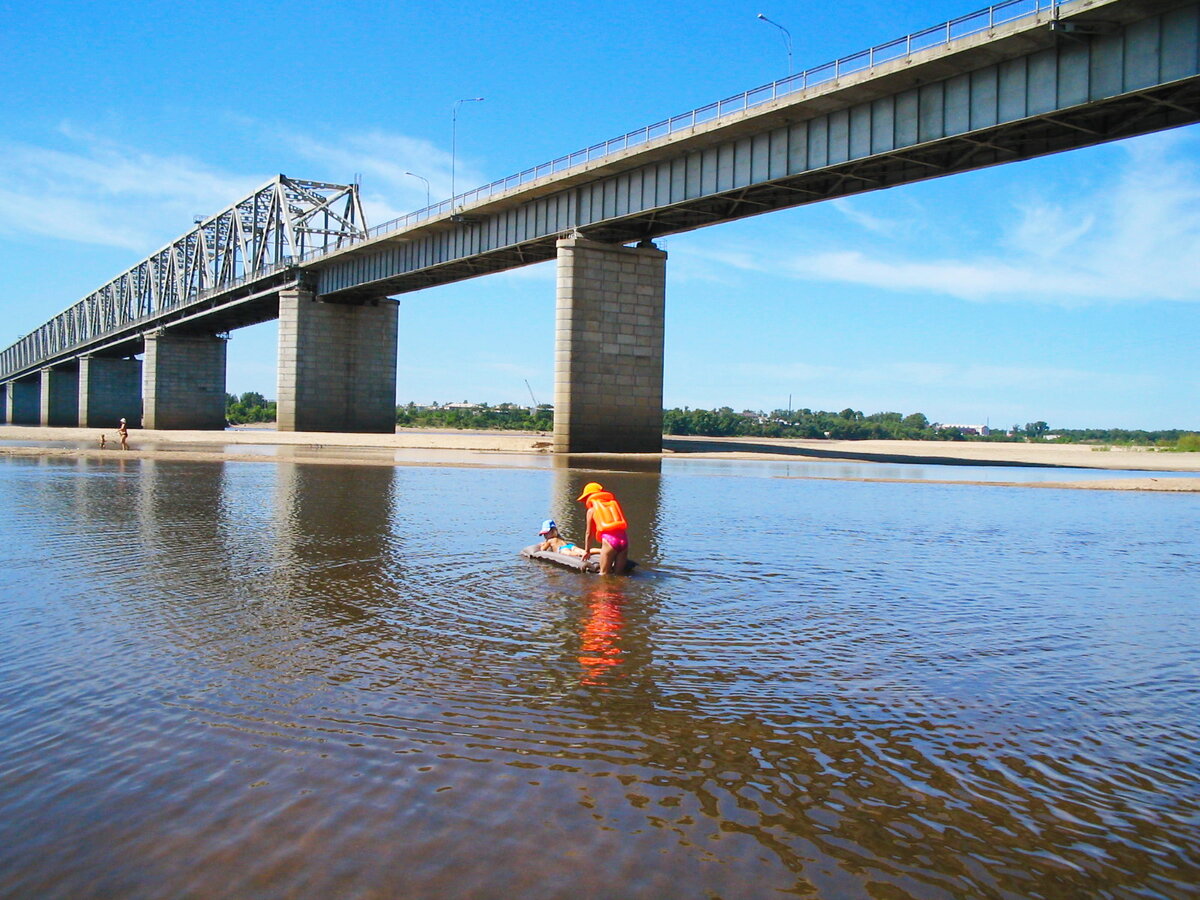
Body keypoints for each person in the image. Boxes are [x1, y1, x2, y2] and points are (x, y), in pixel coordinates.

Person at [577, 482, 630, 575]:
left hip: (610, 542)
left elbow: (589, 533)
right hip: (624, 540)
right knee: (620, 576)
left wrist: (587, 551)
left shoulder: (591, 510)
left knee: (603, 576)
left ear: (589, 496)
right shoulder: (613, 505)